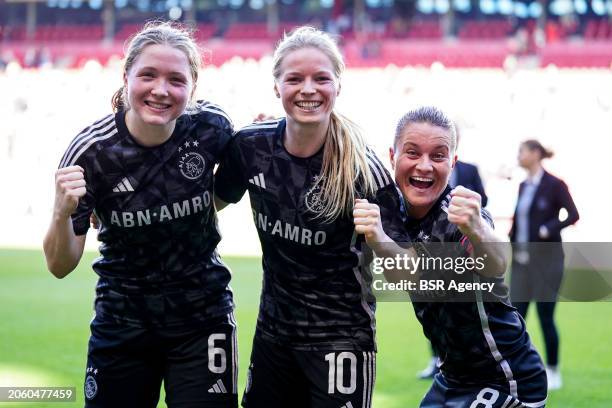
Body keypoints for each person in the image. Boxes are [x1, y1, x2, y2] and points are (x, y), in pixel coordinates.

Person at [43, 22, 238, 408]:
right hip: (122, 325)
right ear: (126, 76)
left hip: (203, 321)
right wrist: (60, 212)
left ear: (193, 88)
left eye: (176, 80)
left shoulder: (212, 128)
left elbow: (228, 186)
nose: (160, 90)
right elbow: (60, 264)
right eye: (148, 75)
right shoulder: (91, 152)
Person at [214, 26, 406, 408]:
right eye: (294, 79)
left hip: (340, 340)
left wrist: (381, 239)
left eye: (321, 78)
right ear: (276, 87)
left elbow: (406, 266)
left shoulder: (364, 170)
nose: (308, 89)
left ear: (338, 85)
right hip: (274, 336)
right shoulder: (251, 147)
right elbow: (209, 203)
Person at [354, 106, 548, 407]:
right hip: (453, 376)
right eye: (413, 153)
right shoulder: (390, 213)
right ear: (392, 157)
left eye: (438, 155)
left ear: (452, 163)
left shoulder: (460, 215)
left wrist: (477, 230)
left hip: (507, 377)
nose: (424, 166)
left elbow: (495, 262)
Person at [418, 126, 489, 380]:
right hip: (432, 246)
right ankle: (436, 360)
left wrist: (469, 217)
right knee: (432, 306)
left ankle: (470, 362)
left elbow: (483, 200)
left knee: (463, 309)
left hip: (462, 247)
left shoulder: (469, 169)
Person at [510, 139, 579, 391]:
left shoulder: (555, 185)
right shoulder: (522, 186)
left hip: (547, 263)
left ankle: (552, 370)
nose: (518, 156)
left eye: (522, 151)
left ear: (535, 154)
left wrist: (548, 228)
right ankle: (518, 369)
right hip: (521, 263)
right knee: (515, 319)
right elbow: (518, 222)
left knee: (545, 316)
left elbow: (573, 215)